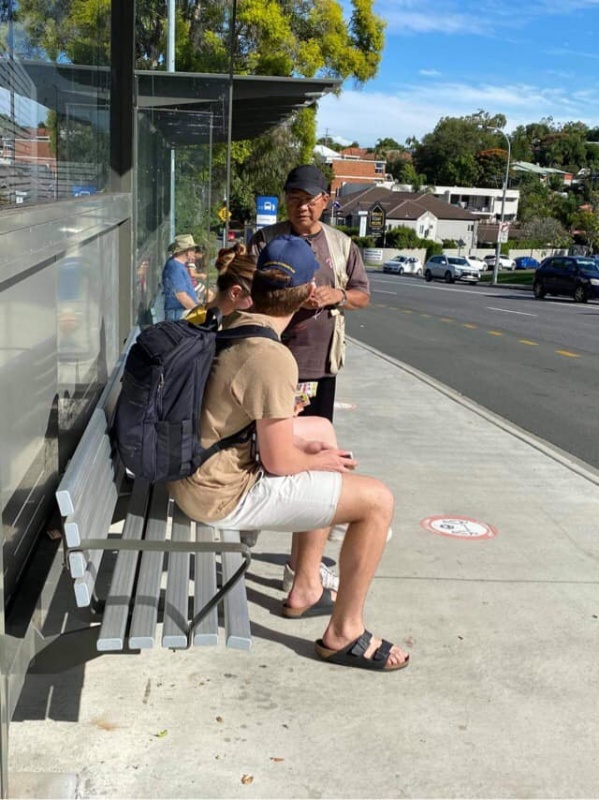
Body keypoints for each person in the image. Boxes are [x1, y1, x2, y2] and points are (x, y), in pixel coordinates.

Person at [168, 235, 409, 672]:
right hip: (218, 493)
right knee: (377, 501)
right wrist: (319, 462)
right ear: (308, 293)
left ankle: (307, 584)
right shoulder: (272, 356)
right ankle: (344, 631)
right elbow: (279, 462)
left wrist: (312, 448)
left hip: (195, 469)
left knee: (321, 429)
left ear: (257, 285)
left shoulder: (236, 322)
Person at [249, 164, 372, 588]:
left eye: (309, 199)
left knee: (313, 463)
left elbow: (362, 295)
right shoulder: (265, 240)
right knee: (269, 456)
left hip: (318, 367)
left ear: (326, 200)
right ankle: (254, 529)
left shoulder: (341, 245)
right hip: (270, 365)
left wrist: (338, 295)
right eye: (294, 198)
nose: (301, 206)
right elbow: (245, 290)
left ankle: (301, 566)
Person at [183, 242, 255, 326]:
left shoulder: (198, 315)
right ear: (235, 293)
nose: (257, 302)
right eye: (255, 296)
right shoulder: (204, 325)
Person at [162, 234, 201, 320]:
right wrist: (199, 312)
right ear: (187, 252)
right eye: (193, 249)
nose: (195, 251)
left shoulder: (178, 265)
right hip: (179, 314)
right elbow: (181, 296)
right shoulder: (175, 268)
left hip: (182, 311)